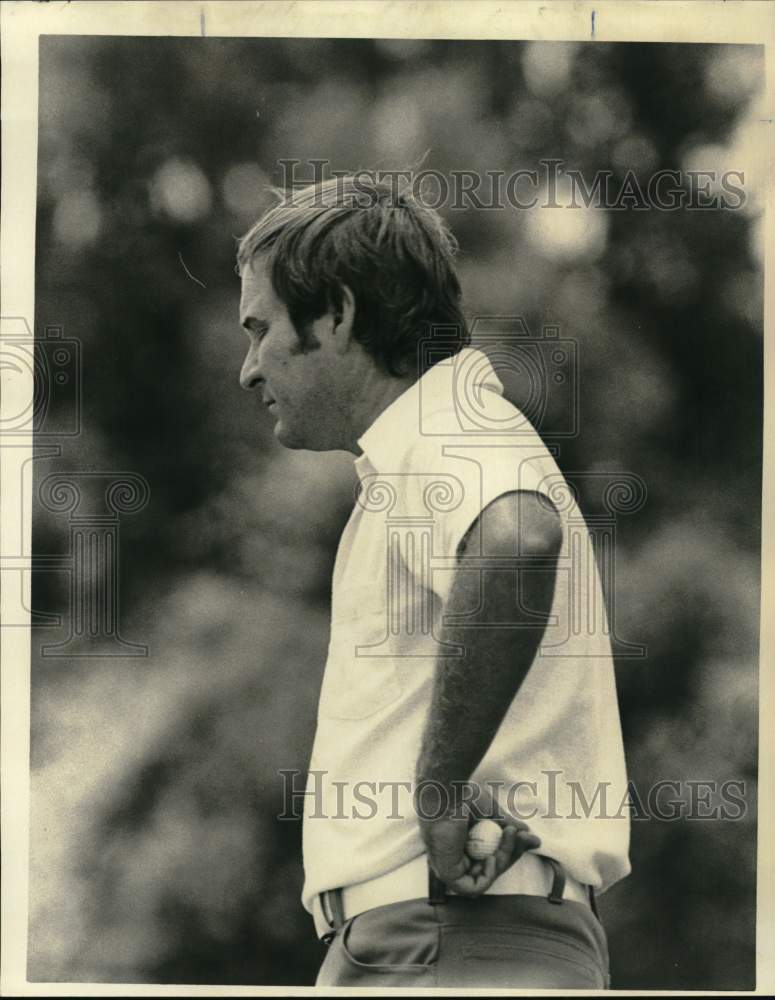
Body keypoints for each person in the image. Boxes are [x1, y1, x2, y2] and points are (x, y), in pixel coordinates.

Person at [236, 175, 630, 988]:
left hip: (443, 942)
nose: (248, 369)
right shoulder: (440, 435)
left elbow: (519, 541)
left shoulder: (440, 428)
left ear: (337, 313)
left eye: (260, 328)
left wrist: (440, 792)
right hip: (456, 936)